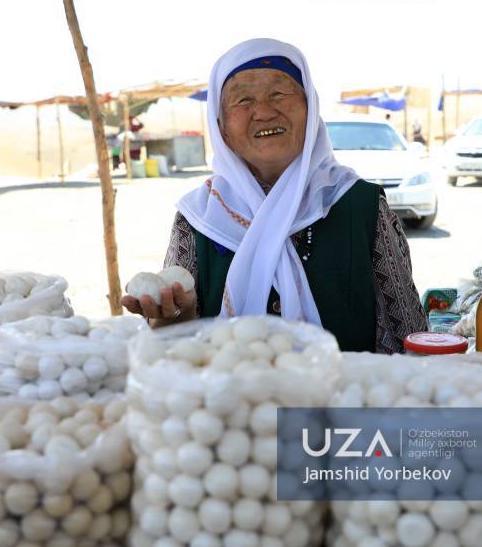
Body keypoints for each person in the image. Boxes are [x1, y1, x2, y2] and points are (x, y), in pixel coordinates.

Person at [121, 38, 425, 354]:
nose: (264, 112)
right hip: (227, 386)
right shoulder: (200, 216)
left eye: (279, 93)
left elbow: (408, 338)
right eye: (243, 100)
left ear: (311, 110)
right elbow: (174, 349)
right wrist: (172, 318)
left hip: (340, 386)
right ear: (222, 129)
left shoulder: (359, 204)